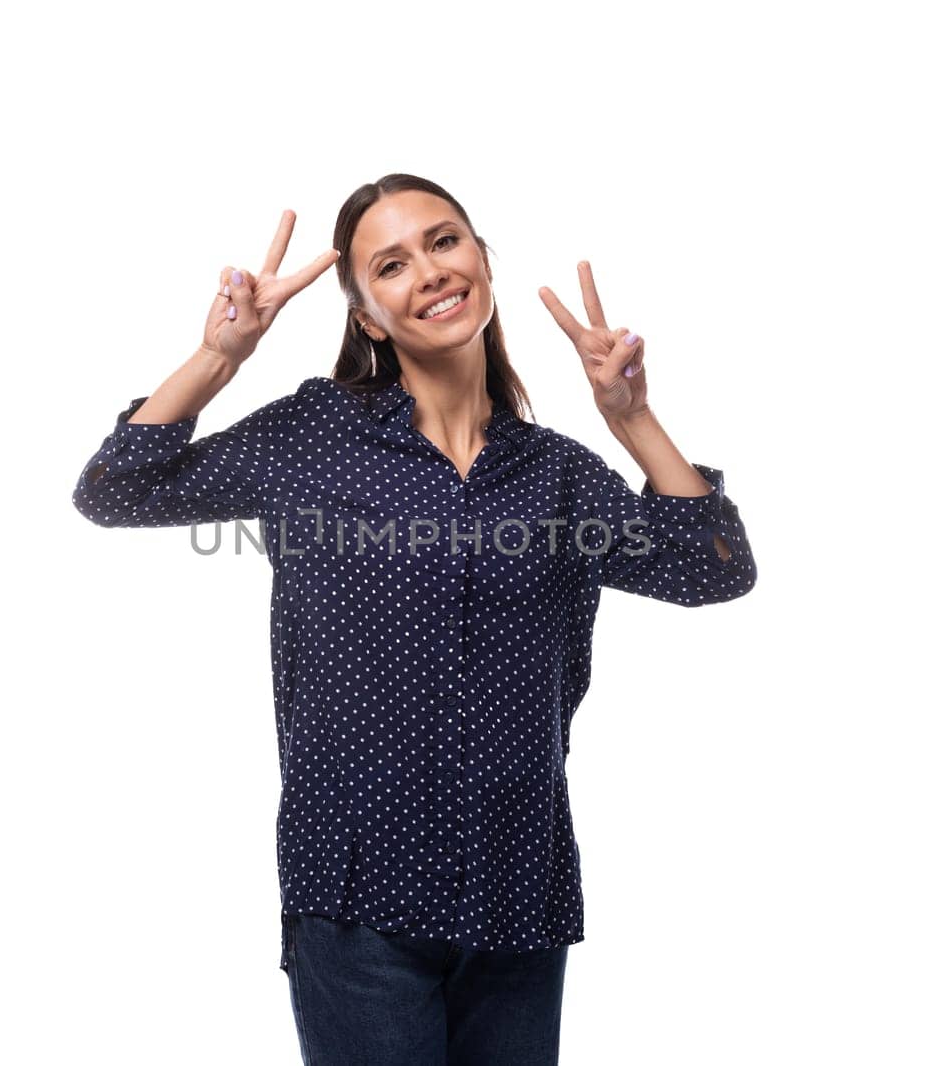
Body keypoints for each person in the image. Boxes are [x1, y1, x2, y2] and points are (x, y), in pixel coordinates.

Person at [72, 173, 757, 1065]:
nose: (428, 272)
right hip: (359, 899)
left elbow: (716, 571)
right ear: (365, 316)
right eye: (390, 265)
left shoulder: (551, 473)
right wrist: (222, 356)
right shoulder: (310, 438)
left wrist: (633, 419)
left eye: (443, 242)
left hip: (517, 894)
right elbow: (113, 489)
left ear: (480, 260)